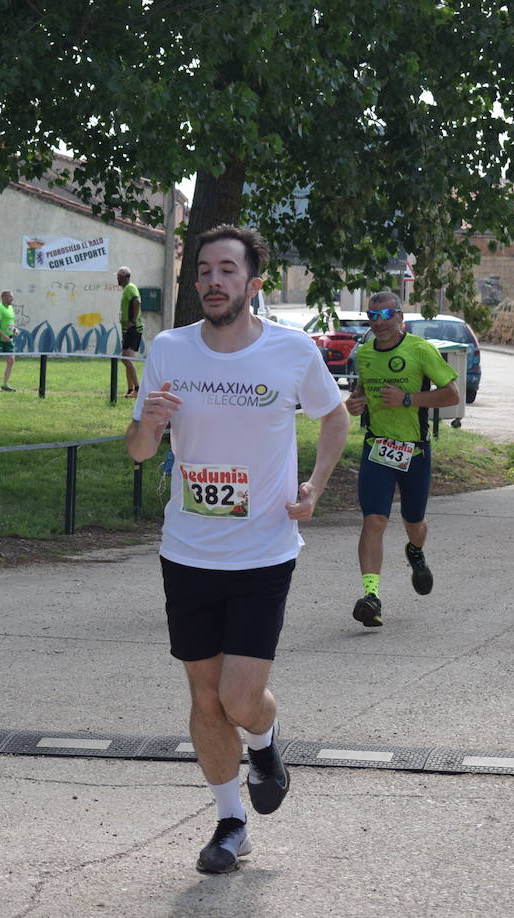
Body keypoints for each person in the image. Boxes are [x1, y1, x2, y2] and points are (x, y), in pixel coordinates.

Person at [126, 224, 348, 874]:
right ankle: (230, 822)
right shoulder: (169, 349)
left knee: (240, 700)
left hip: (263, 552)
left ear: (254, 282)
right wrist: (150, 424)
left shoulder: (291, 350)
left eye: (227, 270)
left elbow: (334, 418)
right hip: (188, 551)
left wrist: (314, 487)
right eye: (204, 270)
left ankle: (265, 740)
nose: (213, 281)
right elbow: (138, 451)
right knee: (205, 699)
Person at [345, 292, 459, 628]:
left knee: (414, 523)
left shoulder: (420, 350)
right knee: (374, 520)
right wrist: (355, 402)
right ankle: (371, 597)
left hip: (414, 451)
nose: (378, 322)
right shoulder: (365, 354)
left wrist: (408, 399)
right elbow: (362, 392)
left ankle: (416, 551)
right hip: (377, 448)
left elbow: (452, 395)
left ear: (399, 316)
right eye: (372, 315)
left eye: (385, 315)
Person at [117, 266, 143, 397]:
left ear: (122, 277)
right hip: (128, 329)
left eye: (118, 277)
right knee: (128, 358)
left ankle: (138, 389)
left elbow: (137, 302)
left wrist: (132, 321)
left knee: (125, 358)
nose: (117, 279)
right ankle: (130, 390)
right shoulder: (127, 289)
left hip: (134, 328)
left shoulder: (130, 288)